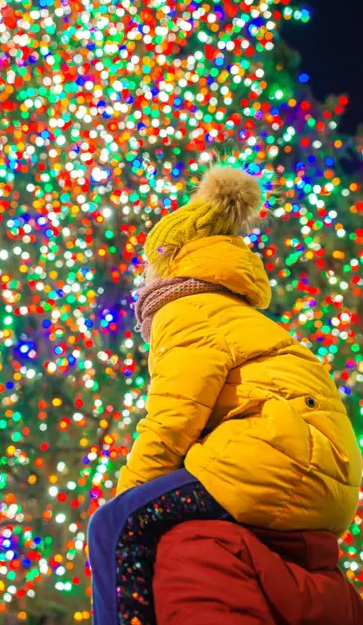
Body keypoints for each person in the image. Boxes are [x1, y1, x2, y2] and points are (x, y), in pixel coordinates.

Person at [88, 164, 361, 625]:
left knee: (112, 526)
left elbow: (173, 418)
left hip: (275, 459)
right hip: (324, 480)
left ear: (171, 260)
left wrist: (129, 496)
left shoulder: (186, 309)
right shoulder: (232, 308)